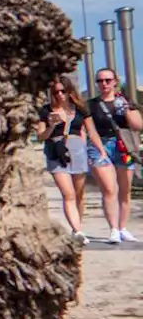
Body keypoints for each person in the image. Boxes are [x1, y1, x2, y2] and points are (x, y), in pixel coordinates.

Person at [37, 75, 119, 244]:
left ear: (69, 91)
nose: (60, 94)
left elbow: (92, 132)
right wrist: (52, 125)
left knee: (78, 194)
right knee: (68, 194)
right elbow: (40, 137)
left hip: (77, 152)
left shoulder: (80, 109)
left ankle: (77, 227)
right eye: (56, 91)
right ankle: (77, 230)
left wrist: (101, 151)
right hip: (56, 152)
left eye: (63, 91)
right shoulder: (46, 111)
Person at [88, 68, 142, 242]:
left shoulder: (126, 101)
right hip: (100, 145)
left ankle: (122, 227)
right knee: (109, 189)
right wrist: (99, 149)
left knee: (124, 190)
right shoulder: (92, 104)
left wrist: (125, 108)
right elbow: (89, 129)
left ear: (115, 81)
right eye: (100, 81)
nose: (104, 84)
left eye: (107, 80)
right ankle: (113, 229)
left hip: (123, 146)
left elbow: (137, 125)